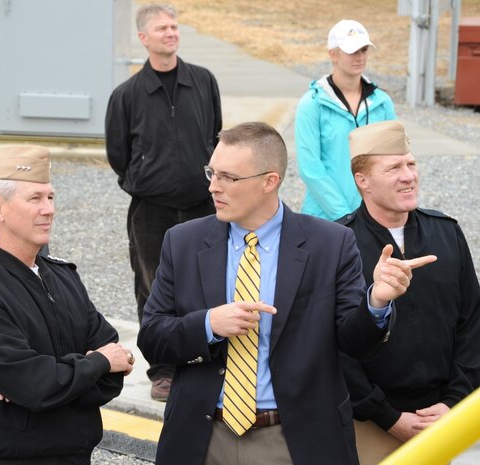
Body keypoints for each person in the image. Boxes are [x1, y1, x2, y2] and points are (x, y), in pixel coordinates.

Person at [136, 121, 436, 465]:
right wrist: (208, 324)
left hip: (295, 440)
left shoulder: (330, 244)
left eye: (228, 178)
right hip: (203, 439)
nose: (213, 188)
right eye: (211, 173)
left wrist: (377, 301)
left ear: (270, 181)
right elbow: (153, 338)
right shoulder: (183, 242)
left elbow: (354, 343)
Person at [0, 145, 134, 464]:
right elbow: (36, 386)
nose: (49, 209)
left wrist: (59, 379)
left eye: (50, 197)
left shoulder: (62, 276)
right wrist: (96, 364)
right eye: (35, 199)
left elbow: (113, 359)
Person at [337, 120, 480, 465]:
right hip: (370, 425)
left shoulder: (447, 233)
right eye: (394, 168)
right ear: (363, 181)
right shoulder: (338, 244)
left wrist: (453, 402)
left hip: (447, 418)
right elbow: (334, 345)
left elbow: (472, 323)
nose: (408, 176)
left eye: (411, 164)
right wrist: (387, 416)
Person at [105, 3, 222, 401]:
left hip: (202, 206)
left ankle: (208, 359)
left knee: (208, 281)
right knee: (154, 288)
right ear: (143, 38)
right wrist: (145, 180)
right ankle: (163, 370)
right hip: (150, 212)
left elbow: (216, 135)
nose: (170, 33)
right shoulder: (126, 95)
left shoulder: (203, 81)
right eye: (161, 28)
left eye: (174, 26)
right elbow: (118, 154)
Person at [295, 19, 396, 221]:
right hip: (325, 218)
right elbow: (310, 169)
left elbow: (394, 159)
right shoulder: (312, 105)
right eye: (352, 51)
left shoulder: (383, 102)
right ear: (333, 54)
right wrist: (345, 215)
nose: (360, 57)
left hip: (374, 216)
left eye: (364, 50)